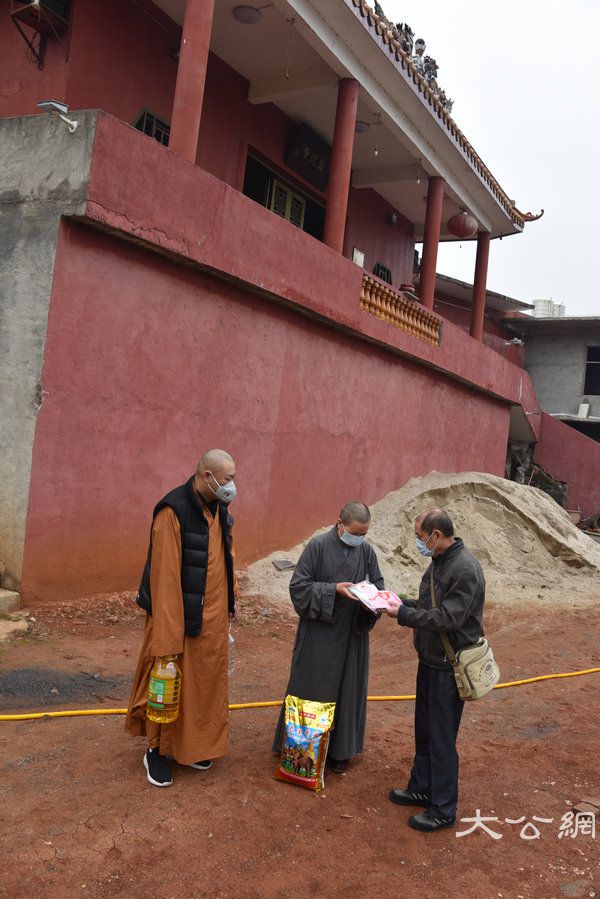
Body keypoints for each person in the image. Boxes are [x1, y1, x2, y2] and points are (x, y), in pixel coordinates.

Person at [125, 449, 238, 787]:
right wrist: (167, 638)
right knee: (166, 684)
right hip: (176, 619)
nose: (232, 486)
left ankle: (194, 746)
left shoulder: (220, 509)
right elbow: (165, 578)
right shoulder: (172, 511)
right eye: (228, 479)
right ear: (208, 476)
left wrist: (229, 603)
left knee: (203, 686)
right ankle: (156, 751)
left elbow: (225, 559)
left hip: (212, 619)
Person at [384, 507, 486, 831]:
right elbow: (430, 606)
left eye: (420, 537)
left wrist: (403, 615)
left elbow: (448, 618)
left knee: (441, 738)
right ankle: (421, 788)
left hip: (448, 666)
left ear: (436, 535)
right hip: (430, 660)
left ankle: (443, 809)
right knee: (425, 731)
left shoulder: (465, 569)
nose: (418, 542)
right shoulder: (440, 561)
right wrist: (398, 602)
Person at [272, 502, 384, 776]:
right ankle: (299, 748)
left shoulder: (367, 551)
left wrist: (373, 598)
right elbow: (299, 587)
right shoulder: (318, 546)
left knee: (347, 691)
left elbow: (378, 585)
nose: (359, 539)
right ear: (340, 524)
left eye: (364, 534)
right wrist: (333, 590)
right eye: (355, 533)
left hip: (351, 635)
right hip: (319, 634)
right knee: (312, 688)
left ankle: (340, 751)